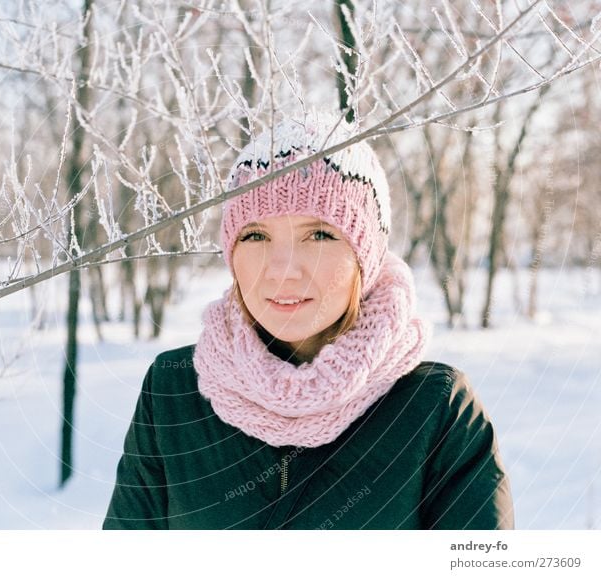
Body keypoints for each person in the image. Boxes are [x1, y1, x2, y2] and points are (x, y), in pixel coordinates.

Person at [103, 115, 514, 530]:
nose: (283, 271)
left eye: (318, 235)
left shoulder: (433, 406)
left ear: (364, 258)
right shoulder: (172, 392)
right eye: (256, 236)